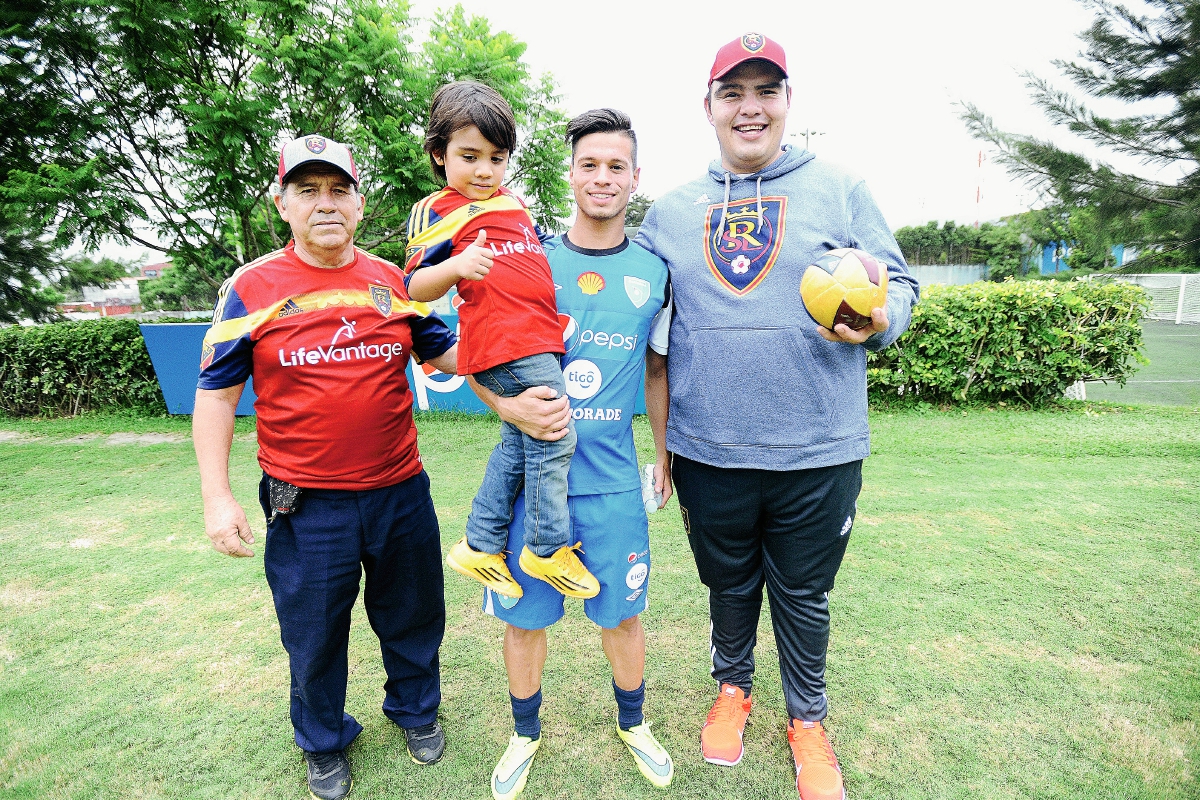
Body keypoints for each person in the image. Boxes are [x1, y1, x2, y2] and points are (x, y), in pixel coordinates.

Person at [193, 134, 548, 800]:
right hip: (306, 503)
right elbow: (216, 392)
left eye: (339, 190)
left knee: (414, 614)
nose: (326, 204)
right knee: (314, 631)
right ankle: (323, 743)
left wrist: (521, 355)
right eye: (308, 190)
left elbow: (444, 352)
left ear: (359, 202)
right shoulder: (251, 286)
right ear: (282, 202)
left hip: (399, 490)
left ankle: (415, 712)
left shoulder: (392, 280)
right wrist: (218, 497)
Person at [635, 34, 921, 800]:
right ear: (709, 107)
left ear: (789, 101)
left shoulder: (843, 187)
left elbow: (900, 283)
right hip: (709, 448)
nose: (750, 106)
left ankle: (808, 721)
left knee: (803, 593)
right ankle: (733, 690)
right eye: (733, 92)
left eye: (766, 90)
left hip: (818, 447)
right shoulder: (670, 209)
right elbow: (637, 317)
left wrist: (880, 317)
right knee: (727, 587)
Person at [467, 109, 675, 800]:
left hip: (614, 487)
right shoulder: (528, 258)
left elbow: (656, 372)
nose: (602, 178)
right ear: (572, 173)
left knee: (621, 615)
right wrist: (505, 406)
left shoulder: (654, 272)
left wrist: (664, 456)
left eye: (616, 166)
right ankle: (524, 733)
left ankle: (634, 723)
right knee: (525, 623)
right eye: (590, 164)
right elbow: (478, 354)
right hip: (536, 485)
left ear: (634, 178)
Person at [403, 80, 599, 602]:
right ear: (438, 154)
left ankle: (480, 543)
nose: (485, 170)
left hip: (535, 338)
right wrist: (456, 266)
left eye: (497, 157)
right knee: (557, 438)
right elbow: (414, 285)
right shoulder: (437, 208)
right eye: (470, 156)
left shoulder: (512, 203)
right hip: (505, 343)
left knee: (521, 441)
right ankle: (545, 547)